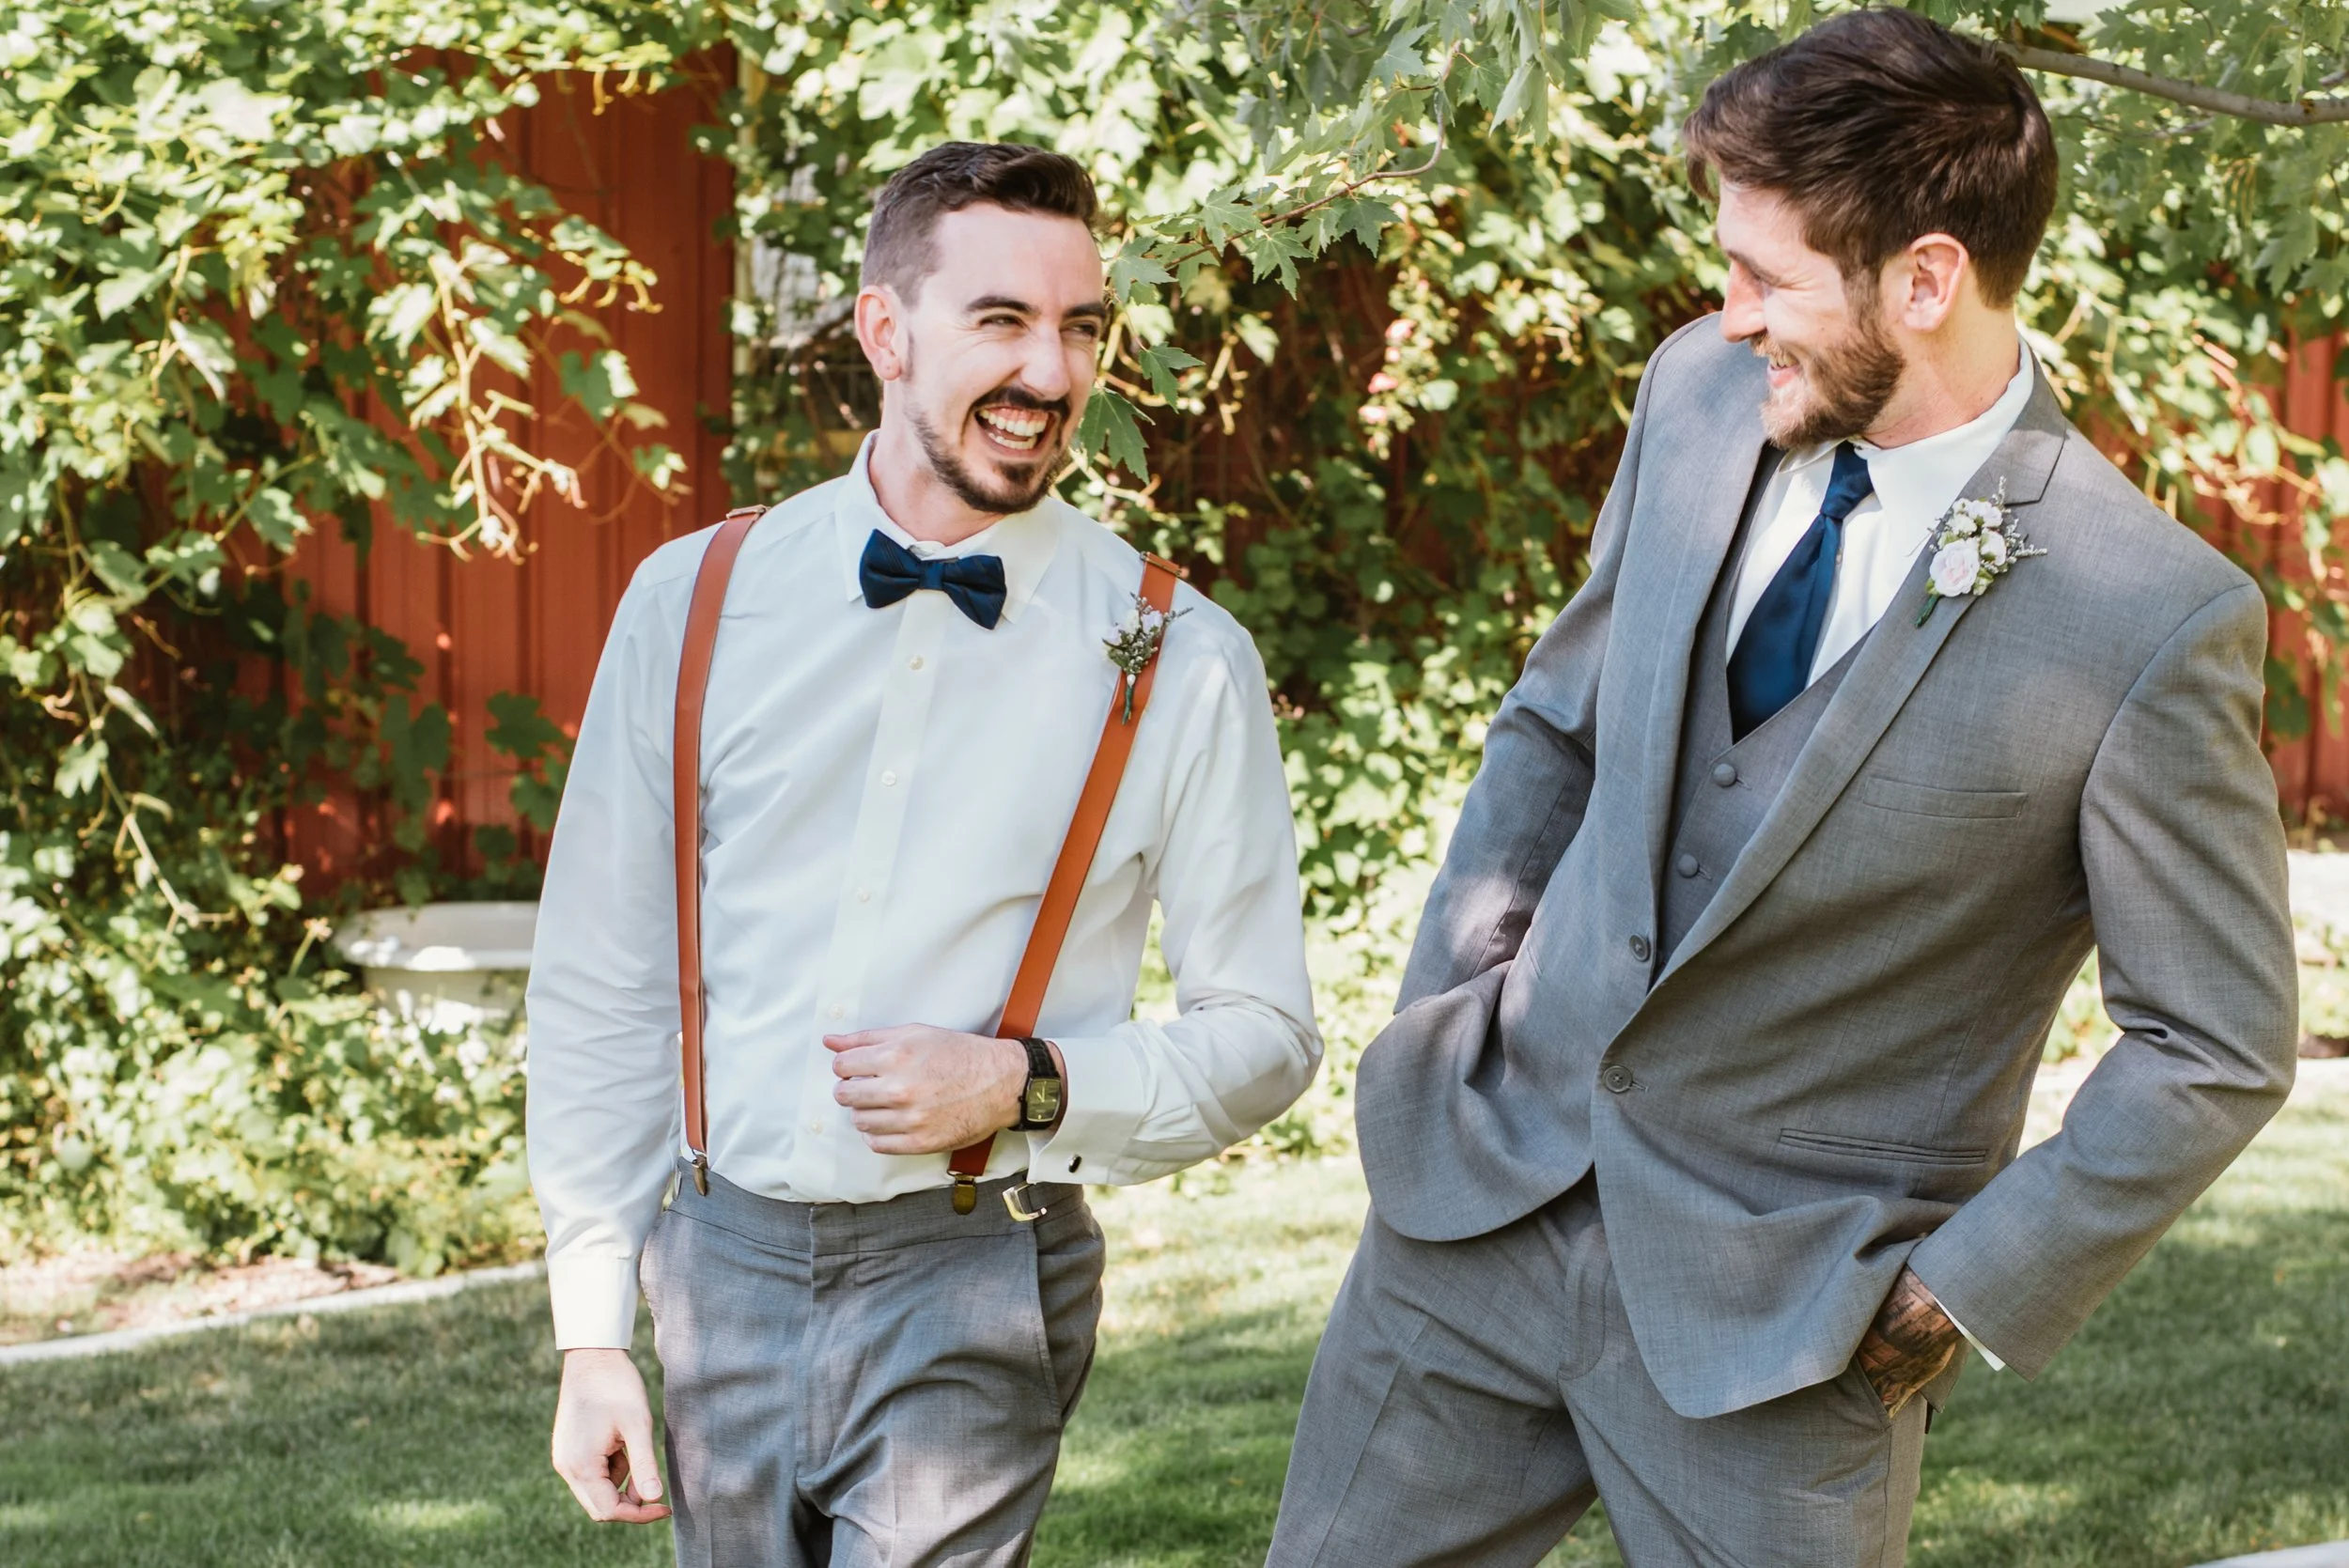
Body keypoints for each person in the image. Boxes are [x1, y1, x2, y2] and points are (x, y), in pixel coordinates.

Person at [1268, 12, 2297, 1567]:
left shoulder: (2149, 617)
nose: (1725, 311)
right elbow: (1557, 726)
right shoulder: (1696, 395)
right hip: (1473, 1218)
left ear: (1927, 279)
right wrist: (1454, 1012)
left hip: (1790, 1331)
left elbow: (2215, 1043)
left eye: (1766, 275)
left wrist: (1962, 1288)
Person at [525, 141, 1319, 1567]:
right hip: (718, 1263)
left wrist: (1027, 1085)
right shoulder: (696, 601)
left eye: (1082, 328)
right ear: (884, 333)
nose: (1054, 374)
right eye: (1002, 322)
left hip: (975, 1268)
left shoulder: (1177, 656)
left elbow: (1264, 1034)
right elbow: (603, 981)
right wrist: (593, 1330)